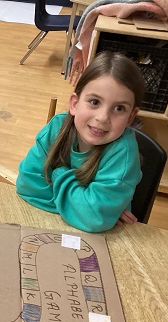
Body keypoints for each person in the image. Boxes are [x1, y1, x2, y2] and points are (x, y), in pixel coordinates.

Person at [16, 51, 145, 233]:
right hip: (48, 224)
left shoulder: (122, 153)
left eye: (119, 108)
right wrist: (84, 208)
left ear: (131, 116)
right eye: (94, 102)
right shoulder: (57, 127)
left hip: (104, 238)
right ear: (74, 104)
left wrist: (56, 174)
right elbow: (26, 185)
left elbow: (93, 218)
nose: (102, 118)